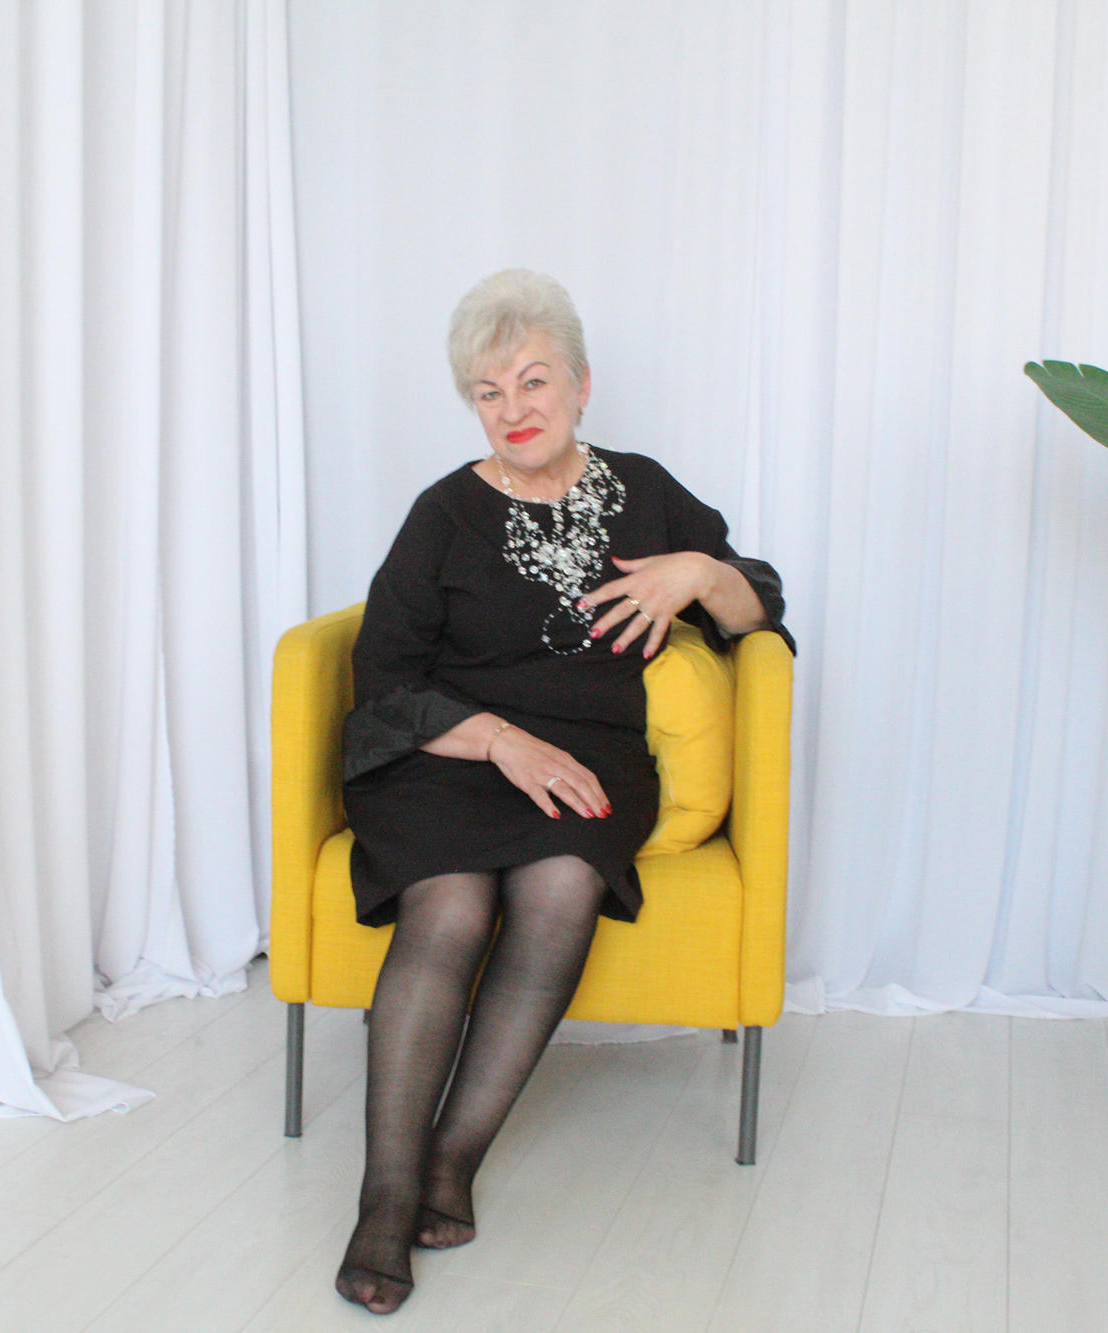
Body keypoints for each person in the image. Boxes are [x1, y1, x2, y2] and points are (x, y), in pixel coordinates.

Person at [334, 269, 792, 1314]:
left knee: (559, 886)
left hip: (589, 755)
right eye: (488, 392)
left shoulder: (645, 491)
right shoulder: (443, 513)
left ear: (581, 384)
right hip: (451, 751)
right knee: (450, 904)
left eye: (533, 380)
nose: (514, 408)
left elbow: (756, 609)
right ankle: (385, 1196)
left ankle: (453, 1158)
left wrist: (694, 572)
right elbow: (384, 679)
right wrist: (499, 743)